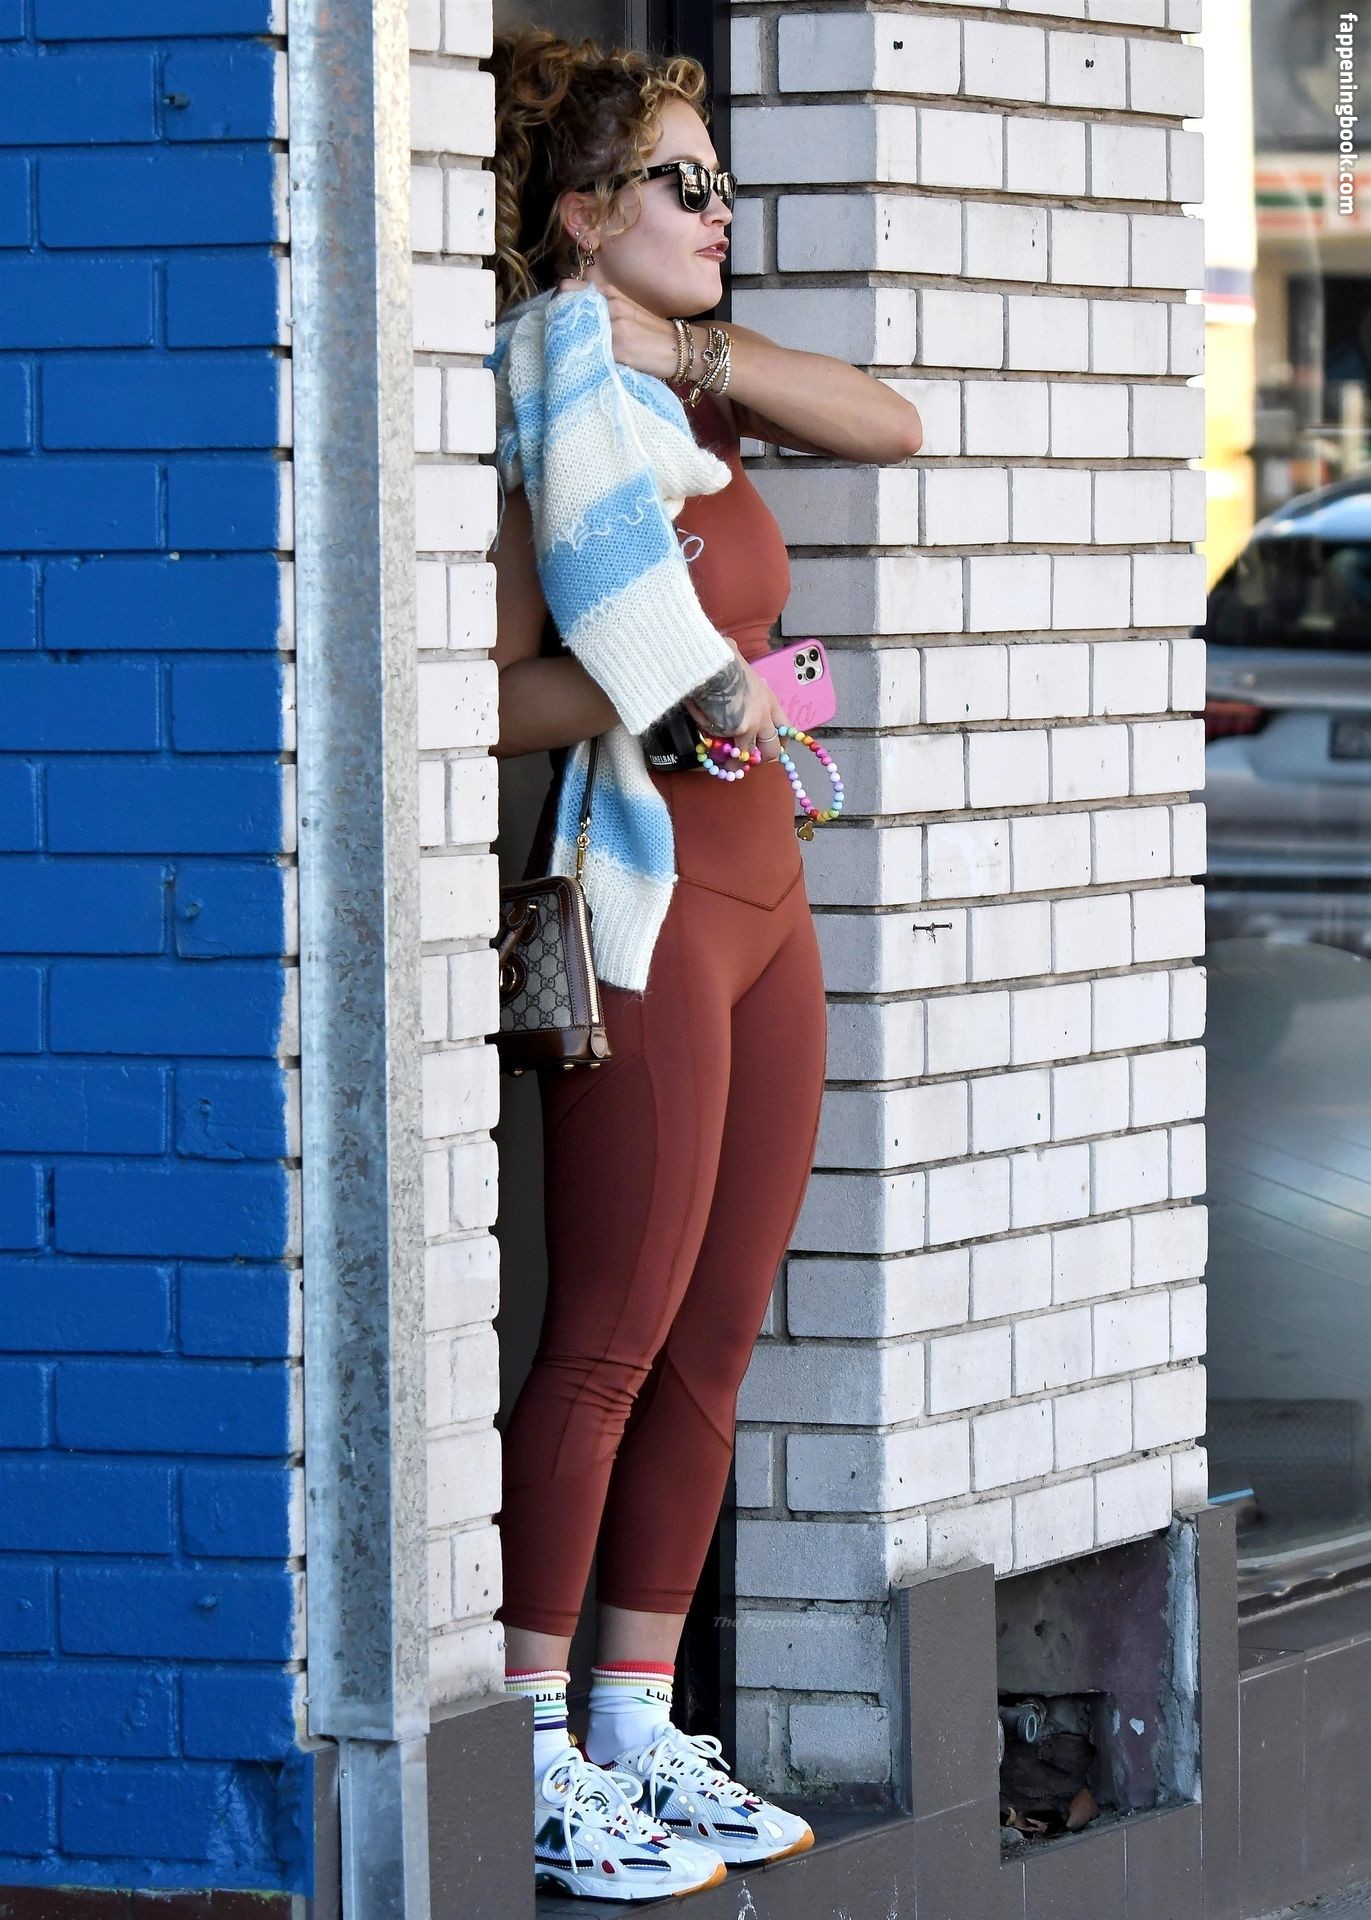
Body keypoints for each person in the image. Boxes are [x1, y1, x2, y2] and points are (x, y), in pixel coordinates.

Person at [487, 26, 923, 1901]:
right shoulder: (554, 411)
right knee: (608, 1336)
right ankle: (524, 1754)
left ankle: (636, 1728)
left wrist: (690, 351)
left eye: (726, 180)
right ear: (587, 214)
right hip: (652, 907)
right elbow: (493, 690)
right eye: (685, 181)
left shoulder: (682, 397)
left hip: (772, 911)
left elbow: (892, 423)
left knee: (718, 1338)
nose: (721, 208)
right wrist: (668, 684)